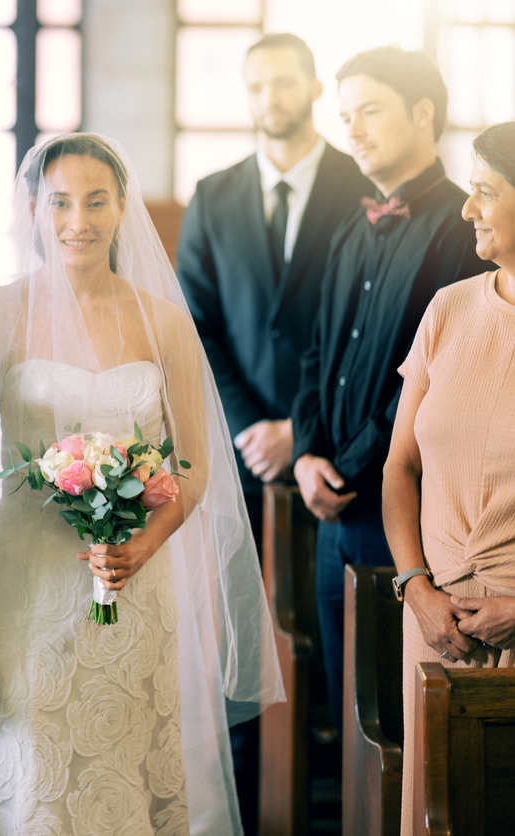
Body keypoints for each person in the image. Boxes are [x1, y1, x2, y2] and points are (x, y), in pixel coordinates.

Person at [0, 133, 282, 835]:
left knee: (120, 752)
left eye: (96, 201)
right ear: (32, 210)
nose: (78, 220)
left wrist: (141, 546)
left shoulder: (162, 322)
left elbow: (192, 464)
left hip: (132, 574)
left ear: (121, 208)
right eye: (60, 202)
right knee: (31, 747)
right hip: (25, 570)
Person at [175, 38, 370, 826]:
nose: (270, 96)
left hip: (331, 446)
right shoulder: (213, 194)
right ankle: (246, 788)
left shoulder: (362, 188)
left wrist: (298, 427)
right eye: (256, 85)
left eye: (284, 81)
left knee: (327, 638)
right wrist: (249, 423)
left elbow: (361, 322)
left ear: (313, 87)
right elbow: (193, 325)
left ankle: (324, 788)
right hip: (234, 454)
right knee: (236, 631)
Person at [290, 46, 492, 728]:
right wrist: (307, 451)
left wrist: (349, 467)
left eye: (369, 111)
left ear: (422, 112)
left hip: (403, 511)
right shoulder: (351, 224)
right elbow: (319, 351)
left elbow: (441, 386)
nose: (351, 130)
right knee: (350, 716)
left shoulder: (467, 231)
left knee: (405, 723)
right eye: (344, 116)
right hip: (331, 508)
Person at [383, 120, 515, 836]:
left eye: (484, 192)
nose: (466, 209)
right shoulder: (449, 309)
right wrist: (417, 590)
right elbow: (398, 468)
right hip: (434, 628)